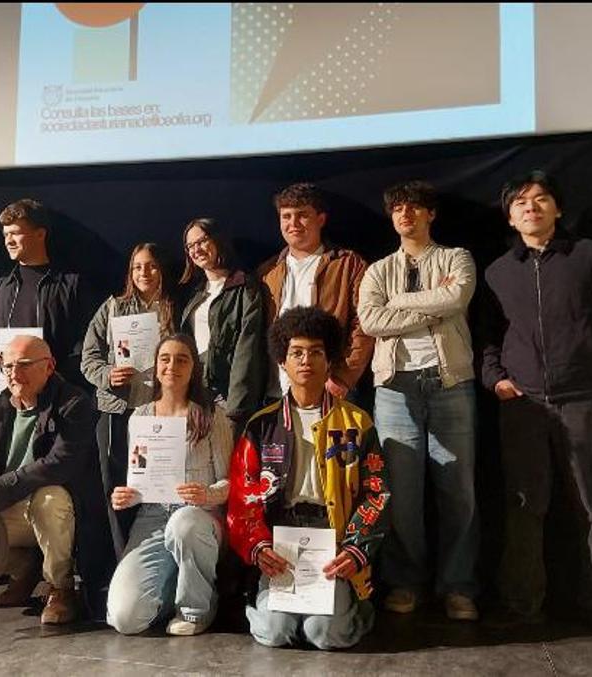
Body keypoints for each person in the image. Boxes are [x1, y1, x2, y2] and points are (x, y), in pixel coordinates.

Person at [481, 170, 592, 634]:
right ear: (510, 215)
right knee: (524, 506)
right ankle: (523, 605)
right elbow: (488, 340)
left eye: (541, 200)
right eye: (521, 202)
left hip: (585, 400)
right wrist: (495, 379)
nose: (531, 208)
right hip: (523, 407)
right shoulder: (498, 272)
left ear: (558, 209)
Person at [228, 307, 390, 650]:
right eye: (296, 353)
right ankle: (269, 606)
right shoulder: (260, 425)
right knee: (274, 632)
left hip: (333, 540)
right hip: (280, 539)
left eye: (316, 352)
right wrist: (259, 547)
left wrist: (354, 549)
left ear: (329, 360)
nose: (306, 361)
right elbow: (244, 497)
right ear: (281, 362)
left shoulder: (357, 423)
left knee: (325, 634)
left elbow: (376, 493)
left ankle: (357, 610)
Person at [357, 180, 480, 619]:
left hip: (450, 383)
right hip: (394, 388)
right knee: (401, 494)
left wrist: (400, 304)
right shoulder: (377, 270)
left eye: (414, 207)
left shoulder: (456, 258)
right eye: (397, 209)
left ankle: (458, 587)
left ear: (430, 214)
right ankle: (406, 582)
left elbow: (457, 295)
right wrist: (433, 302)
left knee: (458, 491)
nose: (405, 214)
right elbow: (370, 320)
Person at [0, 335, 115, 623]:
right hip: (13, 506)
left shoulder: (74, 403)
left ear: (49, 366)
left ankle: (61, 589)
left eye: (25, 365)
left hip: (63, 512)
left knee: (49, 498)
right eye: (8, 366)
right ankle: (25, 568)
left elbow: (58, 465)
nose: (15, 374)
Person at [105, 335, 234, 636]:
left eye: (181, 359)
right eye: (165, 358)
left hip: (200, 518)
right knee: (126, 619)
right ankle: (175, 587)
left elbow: (231, 483)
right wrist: (126, 495)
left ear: (194, 368)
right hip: (151, 516)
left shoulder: (213, 415)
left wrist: (207, 494)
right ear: (155, 366)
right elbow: (140, 474)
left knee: (184, 523)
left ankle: (196, 609)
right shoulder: (140, 416)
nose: (171, 365)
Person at [81, 243, 179, 552]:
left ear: (162, 268)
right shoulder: (113, 307)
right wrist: (108, 374)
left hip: (161, 411)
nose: (144, 272)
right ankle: (124, 555)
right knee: (119, 489)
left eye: (150, 265)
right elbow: (88, 359)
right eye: (137, 266)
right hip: (117, 411)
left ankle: (159, 554)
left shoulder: (177, 308)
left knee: (159, 486)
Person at [258, 183, 373, 400]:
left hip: (331, 389)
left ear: (321, 219)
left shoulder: (348, 264)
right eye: (286, 216)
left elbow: (364, 324)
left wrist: (343, 377)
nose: (293, 223)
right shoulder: (266, 273)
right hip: (277, 393)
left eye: (302, 215)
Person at [0, 198, 93, 394]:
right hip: (3, 397)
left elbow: (86, 340)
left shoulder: (71, 286)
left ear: (39, 234)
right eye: (5, 235)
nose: (9, 241)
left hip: (54, 397)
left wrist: (63, 374)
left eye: (15, 233)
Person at [178, 218, 268, 433]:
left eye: (202, 241)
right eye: (190, 246)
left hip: (228, 397)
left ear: (218, 241)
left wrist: (236, 409)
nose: (196, 249)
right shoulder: (196, 293)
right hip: (197, 393)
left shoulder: (245, 287)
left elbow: (248, 348)